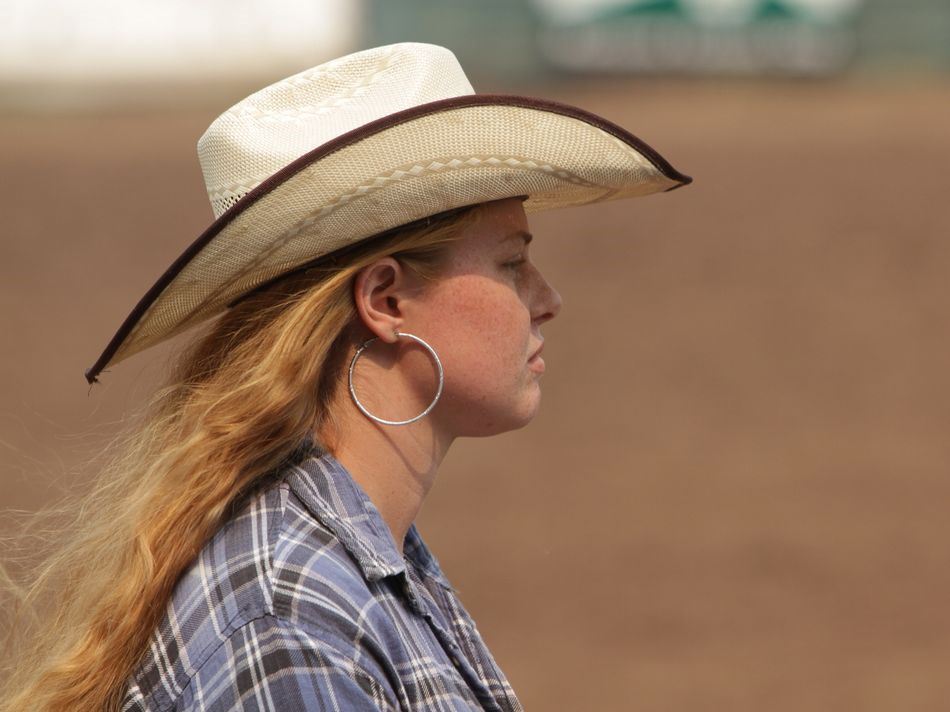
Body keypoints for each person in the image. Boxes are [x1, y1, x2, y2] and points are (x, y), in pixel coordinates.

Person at [0, 43, 690, 711]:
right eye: (512, 264)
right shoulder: (290, 626)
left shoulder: (351, 564)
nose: (547, 300)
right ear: (386, 300)